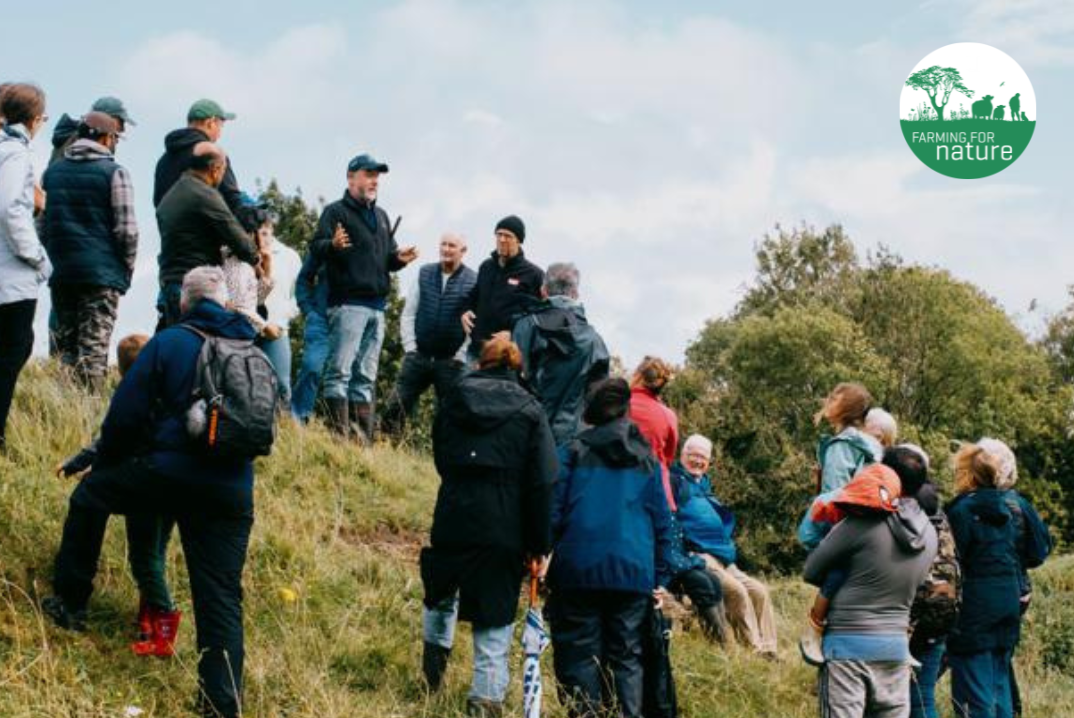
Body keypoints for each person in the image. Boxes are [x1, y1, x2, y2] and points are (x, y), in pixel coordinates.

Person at [43, 266, 259, 718]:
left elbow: (123, 419)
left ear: (186, 300)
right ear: (222, 301)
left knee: (88, 499)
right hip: (232, 489)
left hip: (167, 475)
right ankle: (221, 704)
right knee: (220, 595)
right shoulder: (248, 346)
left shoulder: (170, 340)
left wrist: (102, 465)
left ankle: (70, 602)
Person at [419, 336, 555, 717]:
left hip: (454, 509)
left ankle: (432, 675)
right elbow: (543, 481)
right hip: (504, 520)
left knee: (441, 591)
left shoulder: (454, 398)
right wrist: (540, 543)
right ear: (517, 368)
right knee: (495, 611)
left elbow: (441, 453)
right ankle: (484, 701)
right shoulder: (531, 409)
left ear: (481, 363)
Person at [545, 377, 674, 718]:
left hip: (578, 569)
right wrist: (661, 574)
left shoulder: (572, 451)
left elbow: (553, 511)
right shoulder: (647, 459)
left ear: (591, 411)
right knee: (627, 658)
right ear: (625, 411)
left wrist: (541, 554)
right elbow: (663, 521)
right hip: (633, 573)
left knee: (580, 656)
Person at [55, 333, 179, 657]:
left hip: (145, 484)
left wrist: (83, 464)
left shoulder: (137, 390)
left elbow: (111, 438)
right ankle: (149, 621)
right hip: (176, 481)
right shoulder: (171, 390)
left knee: (145, 558)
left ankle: (161, 632)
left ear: (122, 370)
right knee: (153, 554)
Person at [805, 447, 938, 718]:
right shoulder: (931, 532)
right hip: (897, 648)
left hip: (846, 647)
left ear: (886, 475)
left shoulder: (861, 522)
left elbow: (812, 570)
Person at [309, 153, 418, 441]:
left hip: (377, 308)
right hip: (346, 305)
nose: (374, 181)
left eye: (377, 176)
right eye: (369, 175)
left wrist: (399, 259)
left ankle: (361, 442)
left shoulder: (381, 216)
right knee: (341, 372)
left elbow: (387, 258)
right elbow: (316, 247)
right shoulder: (334, 212)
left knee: (366, 377)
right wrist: (332, 244)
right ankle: (338, 438)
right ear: (351, 177)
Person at [946, 443, 1051, 718]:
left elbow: (952, 562)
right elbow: (1039, 550)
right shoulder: (1013, 506)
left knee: (975, 688)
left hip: (975, 605)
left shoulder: (961, 511)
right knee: (999, 682)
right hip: (1010, 599)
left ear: (967, 475)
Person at [40, 111, 138, 389]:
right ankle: (88, 416)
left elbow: (42, 226)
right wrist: (125, 269)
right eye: (116, 137)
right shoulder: (115, 172)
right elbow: (126, 230)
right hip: (101, 276)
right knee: (93, 352)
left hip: (62, 274)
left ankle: (62, 415)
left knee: (65, 352)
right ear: (107, 137)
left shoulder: (52, 173)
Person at [672, 433, 778, 657]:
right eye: (693, 455)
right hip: (699, 555)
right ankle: (753, 650)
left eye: (703, 457)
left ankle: (770, 650)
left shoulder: (703, 483)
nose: (698, 461)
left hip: (722, 557)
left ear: (709, 462)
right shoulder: (675, 481)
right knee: (737, 591)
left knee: (760, 591)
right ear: (682, 455)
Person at [382, 232, 476, 439]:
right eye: (443, 244)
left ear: (463, 251)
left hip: (451, 362)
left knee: (450, 414)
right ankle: (385, 445)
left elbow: (474, 324)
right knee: (397, 404)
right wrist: (410, 348)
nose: (446, 249)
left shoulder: (473, 281)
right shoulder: (424, 273)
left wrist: (461, 355)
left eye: (452, 245)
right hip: (419, 356)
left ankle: (444, 457)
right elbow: (409, 312)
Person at [155, 142, 257, 329]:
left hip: (170, 281)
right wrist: (256, 258)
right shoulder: (204, 194)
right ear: (215, 169)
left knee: (181, 345)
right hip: (197, 286)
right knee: (202, 348)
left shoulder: (173, 193)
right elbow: (240, 241)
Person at [0, 82, 51, 451]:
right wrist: (37, 256)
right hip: (11, 275)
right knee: (12, 350)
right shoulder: (15, 153)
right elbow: (10, 209)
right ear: (33, 119)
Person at [512, 262, 610, 446]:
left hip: (528, 432)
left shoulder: (527, 326)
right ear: (575, 294)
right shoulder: (595, 341)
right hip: (573, 438)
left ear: (543, 290)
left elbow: (511, 380)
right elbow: (601, 396)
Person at [461, 215, 544, 361]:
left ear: (519, 240)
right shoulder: (486, 267)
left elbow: (540, 316)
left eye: (508, 236)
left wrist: (514, 333)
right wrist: (465, 311)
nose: (502, 239)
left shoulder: (534, 274)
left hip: (508, 355)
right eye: (499, 234)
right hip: (476, 352)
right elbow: (474, 296)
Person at [153, 99, 241, 212]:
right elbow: (233, 199)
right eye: (221, 125)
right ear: (211, 123)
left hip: (171, 228)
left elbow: (158, 204)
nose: (220, 132)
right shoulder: (213, 154)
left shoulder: (163, 161)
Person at [256, 212, 302, 407]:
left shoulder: (289, 256)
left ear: (272, 229)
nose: (262, 237)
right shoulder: (243, 254)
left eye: (265, 232)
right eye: (258, 232)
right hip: (246, 330)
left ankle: (284, 431)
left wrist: (283, 318)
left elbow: (299, 295)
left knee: (282, 386)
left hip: (276, 331)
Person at [628, 356, 679, 511]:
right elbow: (668, 457)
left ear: (637, 376)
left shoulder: (618, 404)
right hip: (656, 494)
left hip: (618, 487)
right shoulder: (668, 415)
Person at [814, 383, 883, 494]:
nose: (827, 401)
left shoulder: (841, 446)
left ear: (846, 406)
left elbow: (833, 495)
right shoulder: (873, 444)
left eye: (834, 398)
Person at [290, 250, 330, 422]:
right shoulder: (323, 245)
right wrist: (308, 309)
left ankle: (341, 428)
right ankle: (298, 418)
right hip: (321, 317)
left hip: (353, 316)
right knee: (312, 367)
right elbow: (303, 279)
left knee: (346, 374)